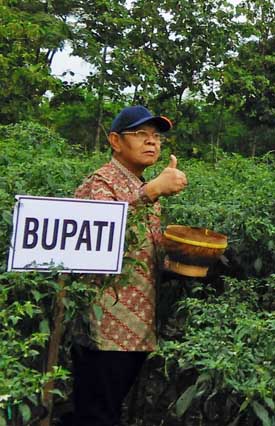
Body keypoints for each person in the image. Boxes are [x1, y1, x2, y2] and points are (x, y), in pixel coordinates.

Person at [71, 106, 188, 426]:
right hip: (105, 330)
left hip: (137, 327)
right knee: (95, 414)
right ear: (115, 141)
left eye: (156, 136)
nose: (152, 142)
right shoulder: (102, 182)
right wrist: (151, 191)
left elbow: (139, 249)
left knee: (108, 410)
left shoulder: (140, 184)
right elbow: (98, 237)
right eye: (140, 134)